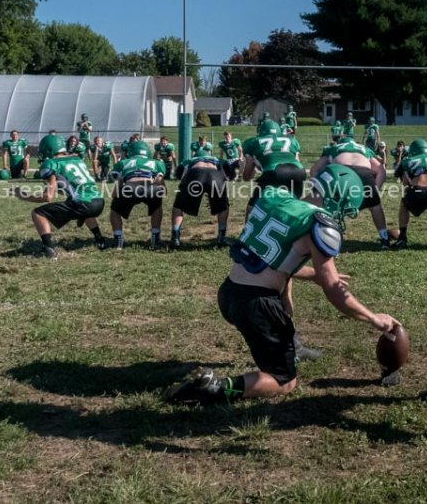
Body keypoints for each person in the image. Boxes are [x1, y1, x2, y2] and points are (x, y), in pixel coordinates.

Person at [165, 164, 399, 404]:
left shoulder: (277, 197)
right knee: (284, 381)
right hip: (256, 304)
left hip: (229, 292)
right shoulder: (317, 223)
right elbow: (335, 292)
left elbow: (272, 258)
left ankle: (271, 353)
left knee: (275, 351)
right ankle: (215, 387)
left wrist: (314, 276)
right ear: (338, 199)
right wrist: (373, 317)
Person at [13, 134, 107, 258]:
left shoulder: (52, 163)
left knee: (38, 213)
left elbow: (48, 197)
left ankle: (48, 250)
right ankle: (100, 240)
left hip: (84, 203)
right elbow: (70, 186)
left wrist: (24, 196)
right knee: (78, 203)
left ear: (48, 149)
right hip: (99, 200)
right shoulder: (77, 159)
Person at [310, 136, 391, 250]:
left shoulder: (333, 148)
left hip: (341, 173)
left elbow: (314, 169)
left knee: (329, 206)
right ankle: (384, 238)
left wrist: (323, 187)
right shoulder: (364, 149)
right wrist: (375, 189)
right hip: (364, 172)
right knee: (375, 206)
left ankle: (326, 239)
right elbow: (381, 170)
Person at [170, 145, 232, 249]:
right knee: (223, 206)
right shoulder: (216, 159)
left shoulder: (190, 159)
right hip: (215, 175)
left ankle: (175, 237)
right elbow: (227, 170)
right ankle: (222, 237)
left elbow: (181, 174)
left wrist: (183, 187)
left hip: (195, 173)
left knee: (178, 206)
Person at [241, 119, 304, 220]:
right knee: (293, 204)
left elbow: (248, 167)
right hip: (298, 171)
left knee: (253, 205)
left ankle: (248, 233)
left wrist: (246, 177)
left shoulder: (253, 142)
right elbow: (297, 160)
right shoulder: (291, 140)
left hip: (274, 171)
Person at [109, 140, 167, 249]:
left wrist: (115, 194)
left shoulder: (123, 162)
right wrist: (163, 191)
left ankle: (118, 241)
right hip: (150, 187)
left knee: (115, 212)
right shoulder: (156, 162)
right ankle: (155, 238)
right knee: (157, 208)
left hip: (130, 187)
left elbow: (119, 180)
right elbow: (160, 179)